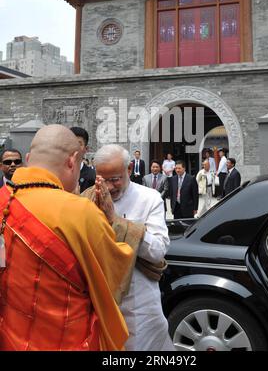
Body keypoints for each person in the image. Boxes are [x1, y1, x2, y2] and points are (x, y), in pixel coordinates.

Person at [0, 125, 134, 351]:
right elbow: (114, 271)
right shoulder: (80, 211)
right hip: (65, 341)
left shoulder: (4, 201)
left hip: (8, 337)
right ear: (73, 161)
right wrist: (111, 222)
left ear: (30, 158)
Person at [82, 144, 174, 351]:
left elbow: (158, 250)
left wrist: (114, 221)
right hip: (99, 298)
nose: (110, 186)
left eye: (115, 179)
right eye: (103, 179)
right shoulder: (87, 198)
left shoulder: (149, 198)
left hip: (138, 300)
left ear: (129, 169)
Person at [70, 126, 96, 192]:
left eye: (79, 144)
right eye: (71, 143)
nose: (74, 147)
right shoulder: (58, 174)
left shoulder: (92, 176)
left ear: (86, 149)